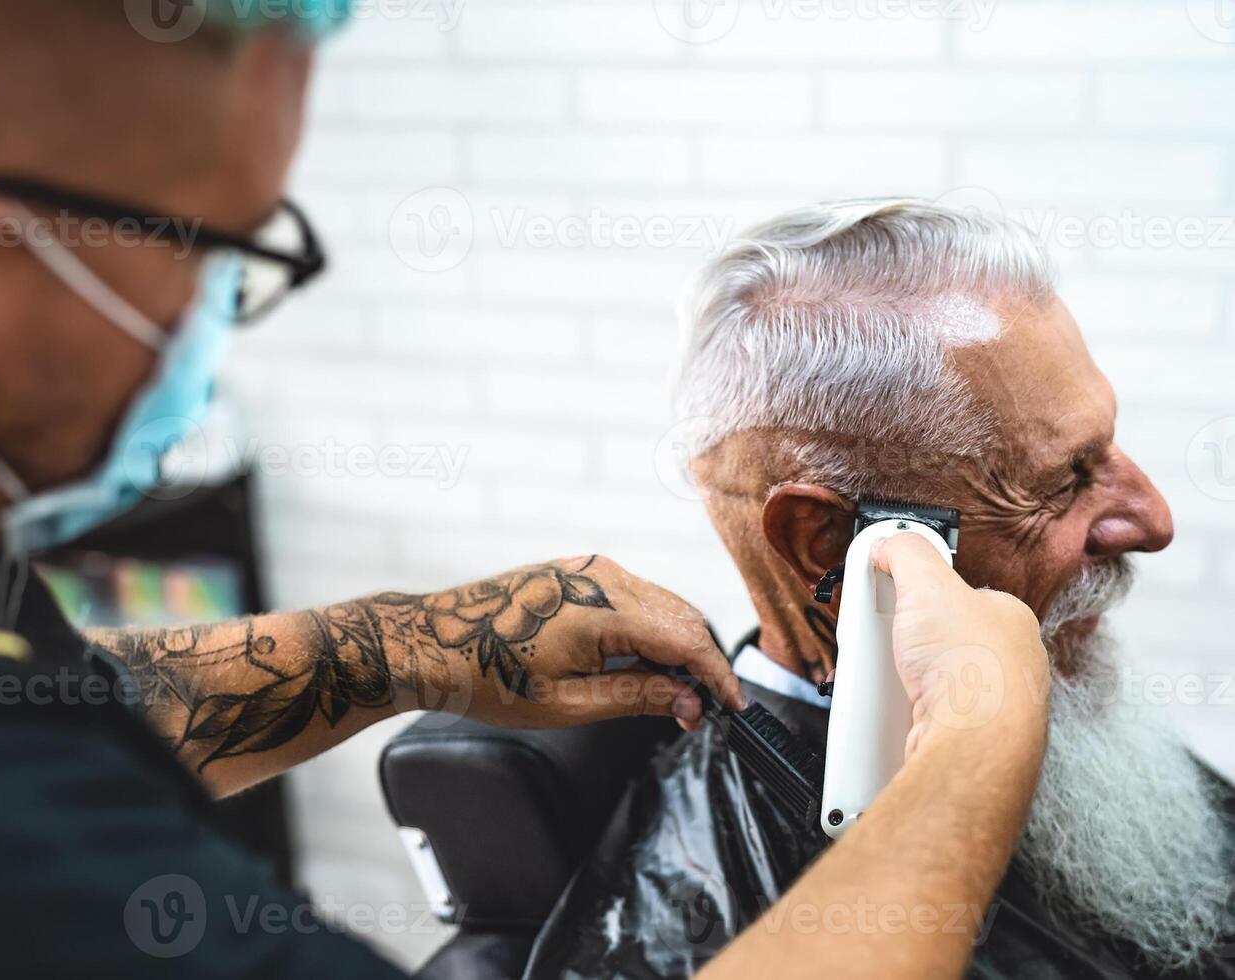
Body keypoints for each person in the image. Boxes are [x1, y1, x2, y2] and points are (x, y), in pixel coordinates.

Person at [0, 6, 1079, 977]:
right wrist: (970, 751)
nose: (221, 320)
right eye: (224, 258)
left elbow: (20, 693)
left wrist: (395, 647)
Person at [529, 199, 1235, 978]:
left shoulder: (1078, 735)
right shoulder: (685, 912)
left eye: (1107, 446)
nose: (1152, 519)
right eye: (1062, 482)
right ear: (827, 542)